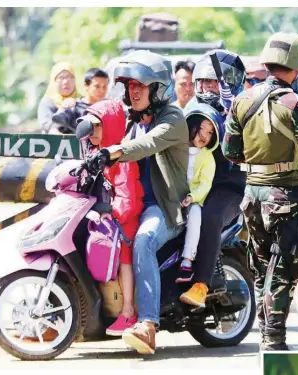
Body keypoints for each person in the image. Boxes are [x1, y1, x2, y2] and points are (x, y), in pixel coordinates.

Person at [222, 32, 298, 350]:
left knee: (262, 270)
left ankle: (267, 337)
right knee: (283, 270)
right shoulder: (295, 103)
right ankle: (274, 343)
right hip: (286, 198)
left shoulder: (242, 101)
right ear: (297, 69)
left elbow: (231, 151)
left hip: (253, 196)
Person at [87, 50, 188, 355]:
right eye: (130, 86)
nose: (133, 91)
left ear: (157, 89)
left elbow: (145, 146)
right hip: (131, 204)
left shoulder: (172, 119)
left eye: (140, 86)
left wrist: (113, 151)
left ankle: (147, 324)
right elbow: (104, 125)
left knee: (143, 241)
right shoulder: (132, 120)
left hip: (163, 206)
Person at [179, 50, 248, 307]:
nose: (208, 88)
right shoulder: (192, 110)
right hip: (192, 183)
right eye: (204, 82)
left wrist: (234, 119)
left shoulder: (241, 110)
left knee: (210, 216)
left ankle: (201, 284)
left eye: (214, 82)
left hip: (226, 187)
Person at [75, 99, 143, 336]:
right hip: (103, 217)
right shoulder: (95, 154)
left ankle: (127, 312)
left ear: (110, 125)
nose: (91, 134)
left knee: (124, 260)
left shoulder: (120, 156)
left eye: (96, 127)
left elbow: (128, 196)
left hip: (121, 221)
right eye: (89, 128)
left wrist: (113, 214)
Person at [176, 104, 221, 307]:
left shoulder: (207, 157)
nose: (204, 135)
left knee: (196, 218)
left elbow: (205, 184)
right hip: (172, 198)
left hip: (192, 200)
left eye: (210, 132)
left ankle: (187, 260)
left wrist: (192, 198)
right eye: (202, 129)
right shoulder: (177, 149)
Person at [52, 68, 111, 134]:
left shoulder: (110, 109)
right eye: (97, 86)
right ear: (86, 85)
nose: (101, 90)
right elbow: (54, 130)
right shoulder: (72, 107)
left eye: (104, 87)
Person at [37, 62, 81, 134]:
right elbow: (46, 125)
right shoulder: (47, 102)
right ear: (54, 81)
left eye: (70, 77)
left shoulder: (81, 101)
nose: (66, 81)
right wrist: (63, 109)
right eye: (61, 78)